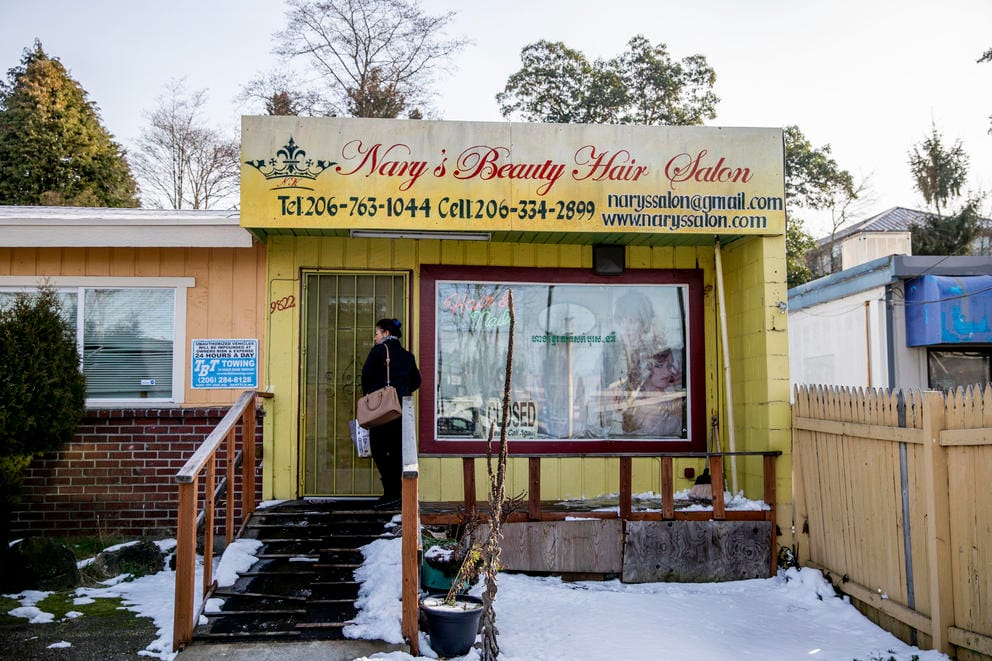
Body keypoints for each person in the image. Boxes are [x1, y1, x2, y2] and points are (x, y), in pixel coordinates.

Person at [361, 318, 421, 509]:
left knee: (379, 450)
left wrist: (372, 395)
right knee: (397, 451)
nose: (375, 337)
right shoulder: (407, 356)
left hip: (380, 411)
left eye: (377, 333)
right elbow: (416, 382)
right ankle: (398, 493)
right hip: (400, 410)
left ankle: (390, 493)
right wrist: (400, 391)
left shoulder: (378, 351)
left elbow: (366, 376)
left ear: (386, 333)